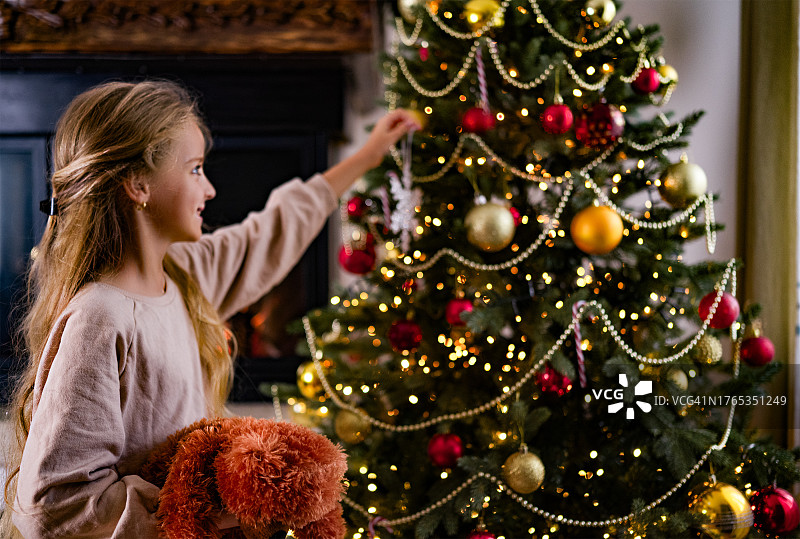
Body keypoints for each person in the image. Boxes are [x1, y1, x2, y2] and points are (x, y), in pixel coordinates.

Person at [0, 80, 418, 538]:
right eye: (196, 169)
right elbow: (54, 506)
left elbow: (270, 233)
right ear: (139, 184)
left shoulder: (182, 274)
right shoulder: (101, 317)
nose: (211, 189)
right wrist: (208, 509)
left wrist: (368, 154)